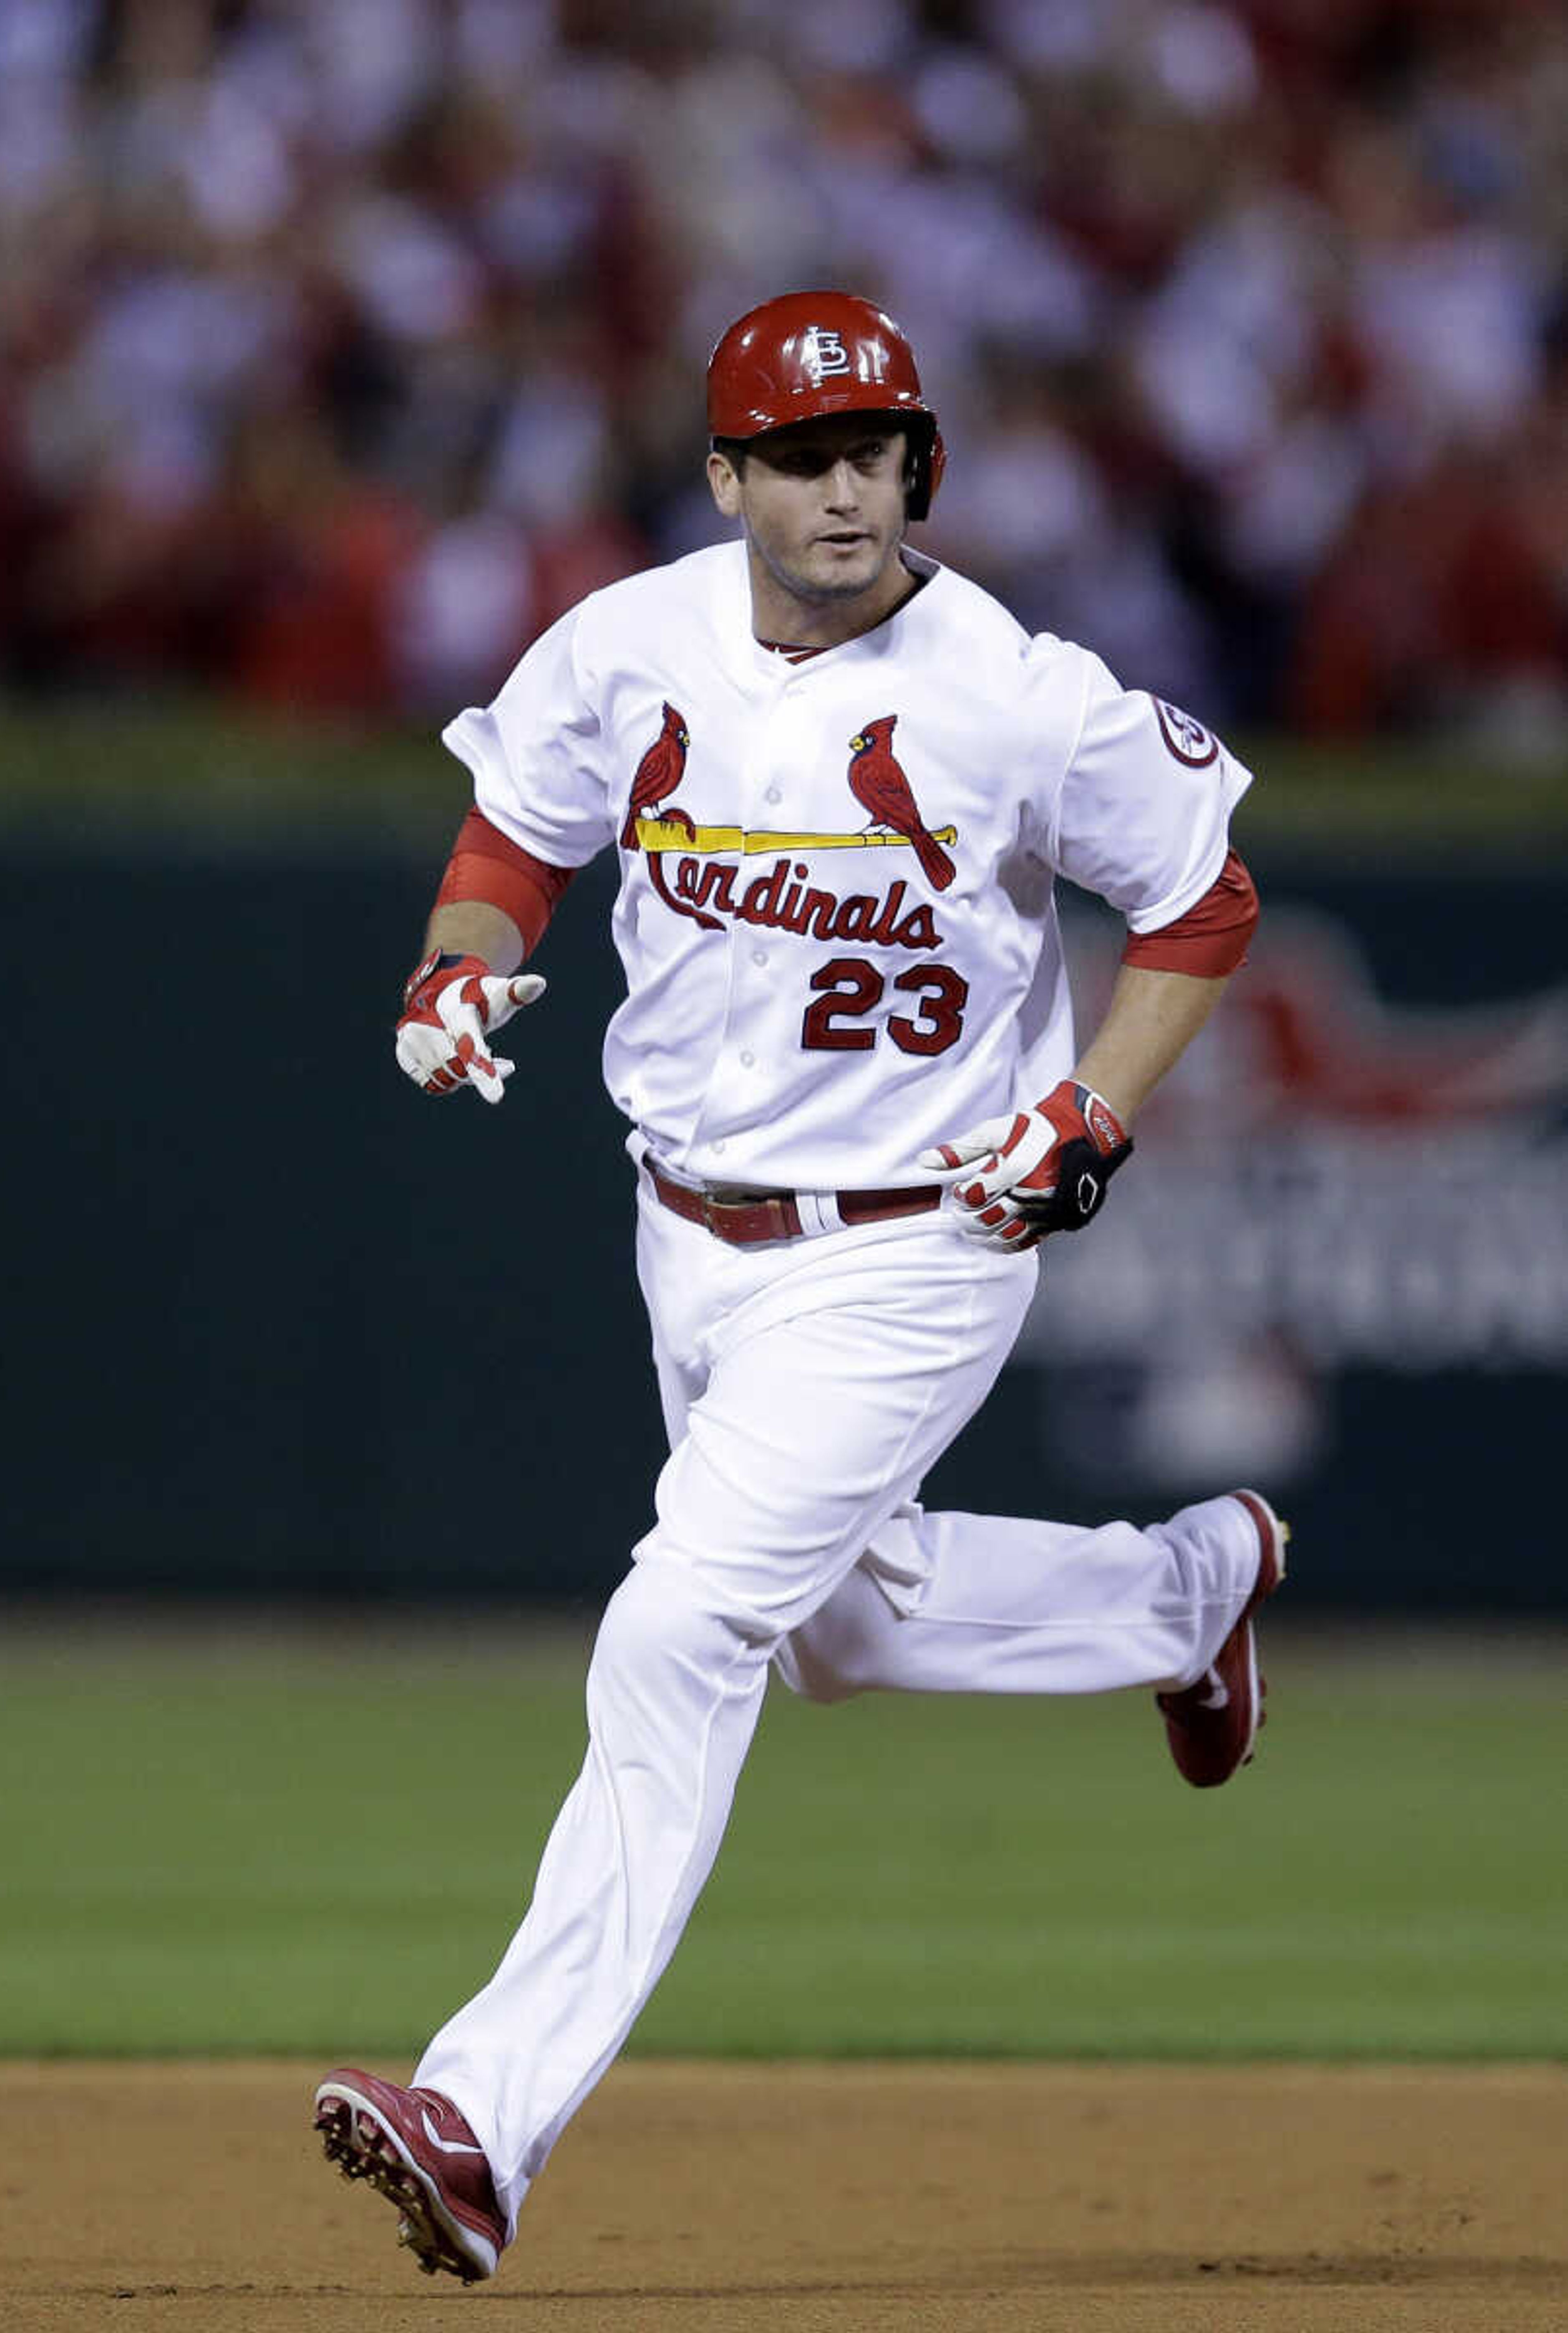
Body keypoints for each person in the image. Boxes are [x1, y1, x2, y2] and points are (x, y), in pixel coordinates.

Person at [313, 290, 1287, 2283]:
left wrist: (1093, 1113)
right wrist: (454, 962)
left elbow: (1203, 891)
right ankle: (1187, 1591)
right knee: (835, 1630)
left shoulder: (1013, 690)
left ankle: (482, 2117)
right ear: (728, 474)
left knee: (679, 1628)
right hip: (688, 1223)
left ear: (918, 465)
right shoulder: (630, 639)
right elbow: (515, 833)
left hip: (918, 1238)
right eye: (808, 455)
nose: (851, 487)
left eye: (880, 451)